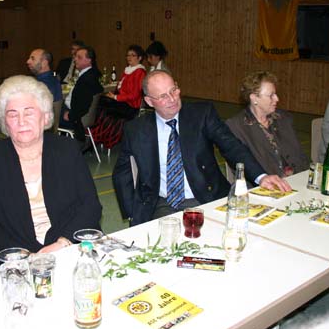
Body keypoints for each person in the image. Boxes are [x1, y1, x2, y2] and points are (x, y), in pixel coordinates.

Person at [112, 70, 291, 225]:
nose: (172, 99)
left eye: (173, 90)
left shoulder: (201, 114)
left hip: (206, 198)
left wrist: (261, 176)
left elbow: (232, 146)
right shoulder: (136, 130)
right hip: (162, 204)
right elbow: (122, 172)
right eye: (163, 96)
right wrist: (131, 212)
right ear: (149, 101)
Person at [0, 75, 102, 261]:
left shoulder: (67, 149)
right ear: (4, 122)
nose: (21, 121)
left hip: (66, 242)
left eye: (29, 112)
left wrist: (63, 243)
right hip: (17, 249)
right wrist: (21, 257)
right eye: (12, 114)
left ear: (45, 116)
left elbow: (90, 205)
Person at [226, 71, 309, 177]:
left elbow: (300, 156)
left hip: (297, 179)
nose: (277, 99)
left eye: (276, 94)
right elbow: (243, 168)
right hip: (266, 184)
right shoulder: (237, 126)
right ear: (254, 98)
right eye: (271, 95)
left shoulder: (284, 118)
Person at [93, 45, 147, 149]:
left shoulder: (140, 72)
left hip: (131, 106)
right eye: (128, 55)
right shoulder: (128, 70)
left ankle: (98, 135)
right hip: (122, 102)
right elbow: (121, 88)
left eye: (133, 55)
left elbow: (135, 95)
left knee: (101, 105)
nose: (129, 57)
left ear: (140, 58)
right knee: (100, 101)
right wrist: (113, 95)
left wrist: (116, 97)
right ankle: (97, 135)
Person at [60, 46, 103, 143]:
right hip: (83, 116)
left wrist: (70, 115)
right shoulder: (93, 74)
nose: (75, 59)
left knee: (47, 114)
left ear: (89, 60)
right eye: (75, 57)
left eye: (79, 57)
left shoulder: (86, 80)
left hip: (76, 118)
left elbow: (82, 105)